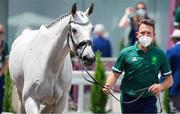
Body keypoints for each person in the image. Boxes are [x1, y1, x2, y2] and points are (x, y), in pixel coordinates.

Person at [103, 19, 173, 113]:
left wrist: (160, 87)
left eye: (149, 33)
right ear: (137, 35)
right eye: (142, 32)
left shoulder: (160, 54)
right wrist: (108, 85)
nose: (145, 36)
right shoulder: (126, 52)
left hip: (149, 100)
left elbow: (169, 79)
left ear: (154, 36)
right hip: (128, 99)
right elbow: (115, 74)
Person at [166, 29, 180, 114]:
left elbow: (166, 70)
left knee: (176, 110)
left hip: (176, 87)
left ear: (174, 39)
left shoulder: (171, 51)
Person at [0, 24, 9, 113]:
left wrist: (1, 73)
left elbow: (6, 62)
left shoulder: (5, 45)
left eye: (2, 33)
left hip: (0, 75)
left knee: (0, 96)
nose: (1, 35)